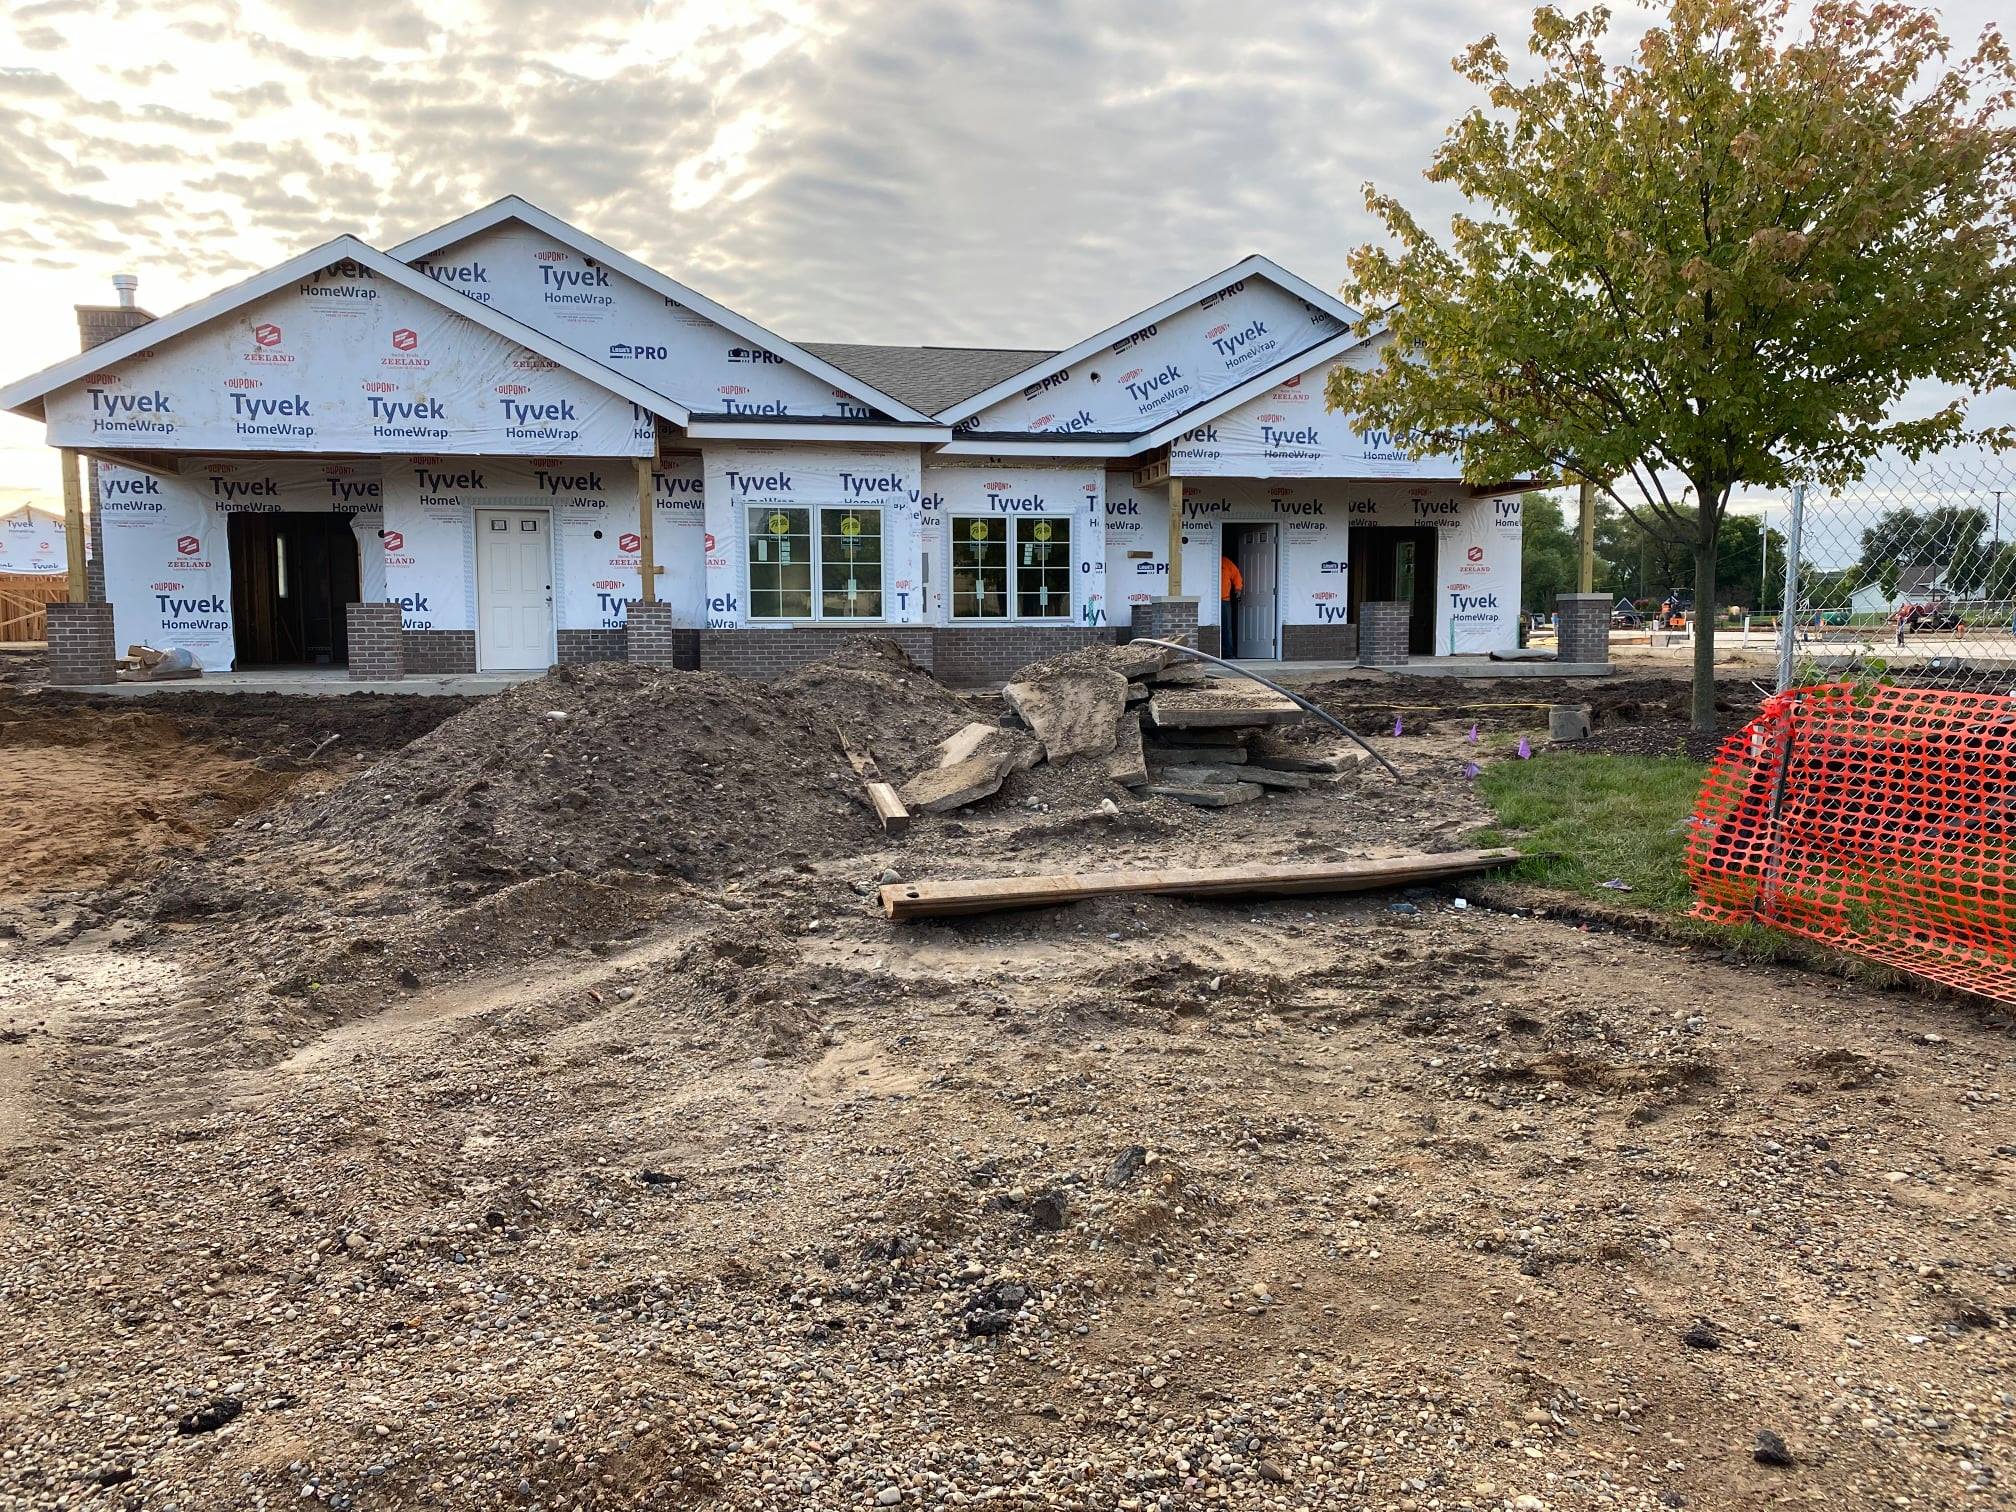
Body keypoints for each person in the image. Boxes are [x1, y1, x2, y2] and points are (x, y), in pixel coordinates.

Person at [1220, 554, 1244, 657]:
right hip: (1210, 600)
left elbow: (1236, 575)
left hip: (1224, 600)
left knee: (1226, 628)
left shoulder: (1226, 562)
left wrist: (1238, 589)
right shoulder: (1207, 560)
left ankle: (1228, 654)